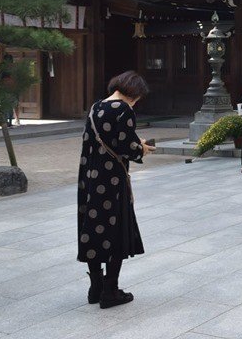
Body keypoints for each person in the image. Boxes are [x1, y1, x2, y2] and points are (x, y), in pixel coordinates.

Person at [78, 71, 155, 309]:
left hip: (90, 177)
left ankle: (96, 287)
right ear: (134, 93)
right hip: (112, 179)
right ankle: (111, 290)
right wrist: (142, 149)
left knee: (92, 227)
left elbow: (91, 143)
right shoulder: (124, 110)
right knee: (115, 230)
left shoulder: (96, 107)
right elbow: (127, 146)